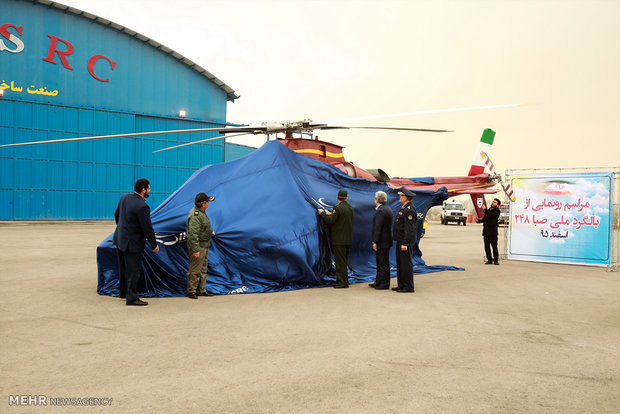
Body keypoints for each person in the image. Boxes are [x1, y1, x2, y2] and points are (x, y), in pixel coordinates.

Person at [113, 178, 159, 306]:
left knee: (123, 269)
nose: (150, 191)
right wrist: (154, 244)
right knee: (133, 271)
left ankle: (123, 292)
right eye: (149, 188)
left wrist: (122, 229)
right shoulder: (143, 206)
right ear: (143, 190)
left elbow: (117, 215)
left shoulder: (124, 198)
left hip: (120, 240)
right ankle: (132, 297)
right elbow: (147, 227)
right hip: (133, 243)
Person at [318, 189, 354, 288]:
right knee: (344, 261)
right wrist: (332, 214)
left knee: (340, 262)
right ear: (346, 198)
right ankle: (343, 280)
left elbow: (330, 221)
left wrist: (323, 213)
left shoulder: (337, 208)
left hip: (339, 240)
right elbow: (341, 218)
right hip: (347, 239)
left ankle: (342, 283)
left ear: (338, 198)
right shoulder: (350, 208)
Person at [186, 192, 216, 299]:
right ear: (203, 204)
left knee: (203, 269)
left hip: (204, 245)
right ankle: (192, 291)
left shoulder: (201, 212)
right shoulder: (195, 215)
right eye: (207, 202)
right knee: (195, 269)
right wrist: (195, 250)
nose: (208, 204)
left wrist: (210, 231)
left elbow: (204, 225)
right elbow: (193, 234)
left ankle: (201, 290)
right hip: (199, 246)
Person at [392, 188, 417, 293]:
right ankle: (401, 284)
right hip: (400, 241)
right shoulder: (404, 208)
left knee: (406, 264)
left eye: (401, 196)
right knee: (400, 264)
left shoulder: (409, 209)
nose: (400, 197)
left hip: (405, 242)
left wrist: (405, 243)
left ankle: (408, 286)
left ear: (406, 197)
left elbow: (409, 228)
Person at [369, 191, 393, 290]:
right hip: (386, 240)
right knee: (382, 262)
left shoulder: (380, 211)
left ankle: (384, 283)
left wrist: (375, 241)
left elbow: (378, 227)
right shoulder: (388, 208)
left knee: (382, 262)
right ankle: (378, 281)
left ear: (377, 200)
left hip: (382, 241)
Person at [480, 198, 501, 265]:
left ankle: (496, 260)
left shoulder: (497, 211)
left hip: (493, 232)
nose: (492, 203)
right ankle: (489, 259)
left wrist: (484, 210)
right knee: (487, 247)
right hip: (486, 232)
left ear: (497, 205)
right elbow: (485, 218)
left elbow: (491, 215)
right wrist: (479, 221)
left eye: (495, 202)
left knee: (494, 247)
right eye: (493, 201)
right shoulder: (489, 210)